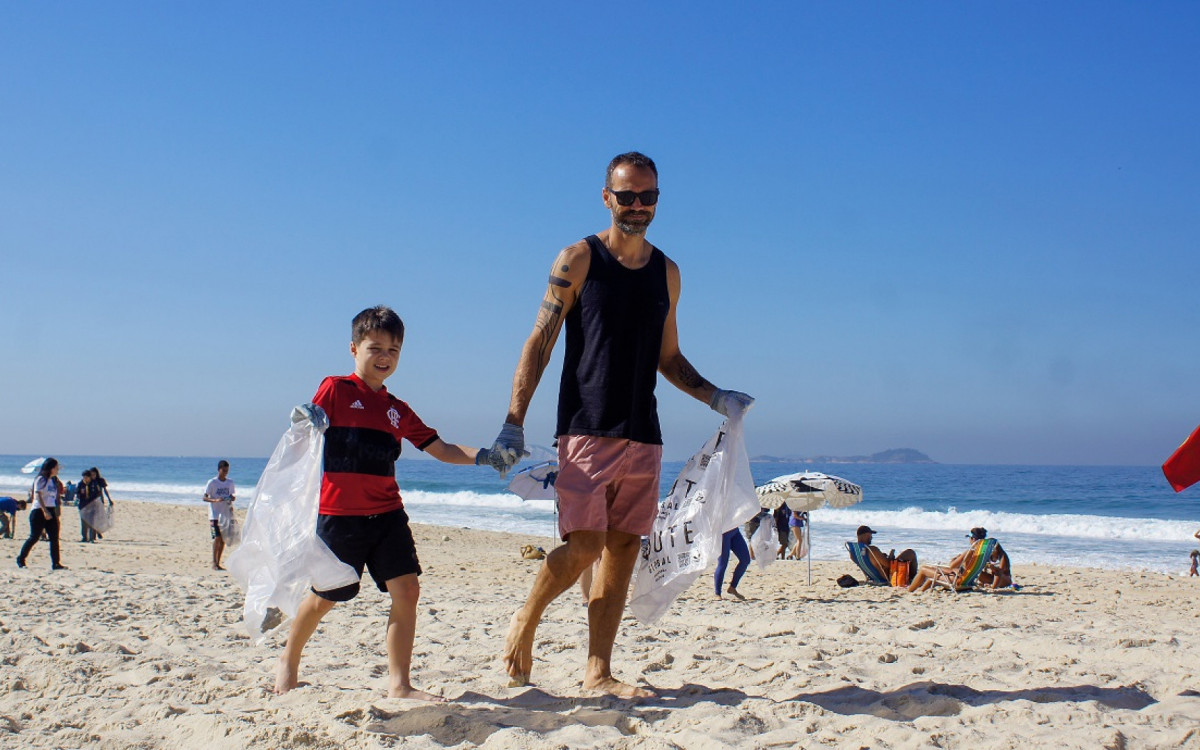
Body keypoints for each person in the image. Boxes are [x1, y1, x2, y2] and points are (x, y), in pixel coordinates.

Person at [491, 152, 754, 698]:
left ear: (658, 200)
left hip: (644, 433)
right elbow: (539, 340)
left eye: (647, 196)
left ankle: (598, 672)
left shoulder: (667, 273)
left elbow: (670, 356)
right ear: (607, 197)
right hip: (587, 428)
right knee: (584, 546)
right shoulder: (579, 259)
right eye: (627, 195)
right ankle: (526, 619)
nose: (637, 206)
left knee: (622, 553)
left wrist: (716, 397)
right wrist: (514, 422)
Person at [274, 305, 507, 699]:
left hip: (387, 515)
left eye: (394, 350)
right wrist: (304, 418)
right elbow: (307, 423)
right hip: (340, 516)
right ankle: (288, 660)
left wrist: (488, 456)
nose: (384, 357)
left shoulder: (397, 409)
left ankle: (399, 684)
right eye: (375, 348)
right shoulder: (335, 388)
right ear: (354, 349)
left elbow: (443, 448)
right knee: (329, 596)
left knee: (407, 590)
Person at [907, 527, 1009, 592]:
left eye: (969, 538)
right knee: (935, 570)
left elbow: (951, 566)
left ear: (973, 539)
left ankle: (909, 591)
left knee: (924, 569)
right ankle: (920, 590)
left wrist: (955, 559)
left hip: (959, 582)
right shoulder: (984, 554)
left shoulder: (968, 552)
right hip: (969, 582)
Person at [17, 458, 67, 570]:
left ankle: (56, 563)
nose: (58, 469)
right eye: (56, 467)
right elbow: (38, 496)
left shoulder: (53, 480)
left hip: (51, 509)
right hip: (39, 510)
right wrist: (45, 511)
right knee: (34, 537)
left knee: (54, 538)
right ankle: (21, 559)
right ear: (51, 468)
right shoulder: (40, 479)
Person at [204, 460, 236, 570]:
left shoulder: (230, 482)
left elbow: (231, 496)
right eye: (223, 471)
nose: (225, 473)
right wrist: (215, 500)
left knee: (223, 539)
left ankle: (218, 562)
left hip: (225, 514)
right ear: (219, 470)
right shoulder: (212, 482)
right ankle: (214, 562)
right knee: (216, 538)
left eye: (227, 471)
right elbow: (204, 497)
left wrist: (231, 499)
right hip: (214, 515)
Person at [714, 528, 751, 600]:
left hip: (734, 529)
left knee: (745, 560)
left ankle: (732, 587)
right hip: (722, 532)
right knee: (723, 563)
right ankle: (717, 593)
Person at [76, 469, 99, 542]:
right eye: (84, 477)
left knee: (92, 522)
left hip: (92, 505)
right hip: (83, 505)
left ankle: (92, 538)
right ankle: (84, 537)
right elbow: (77, 492)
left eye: (86, 477)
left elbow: (97, 494)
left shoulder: (94, 484)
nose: (85, 479)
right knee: (84, 523)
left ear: (90, 477)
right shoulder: (80, 484)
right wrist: (79, 496)